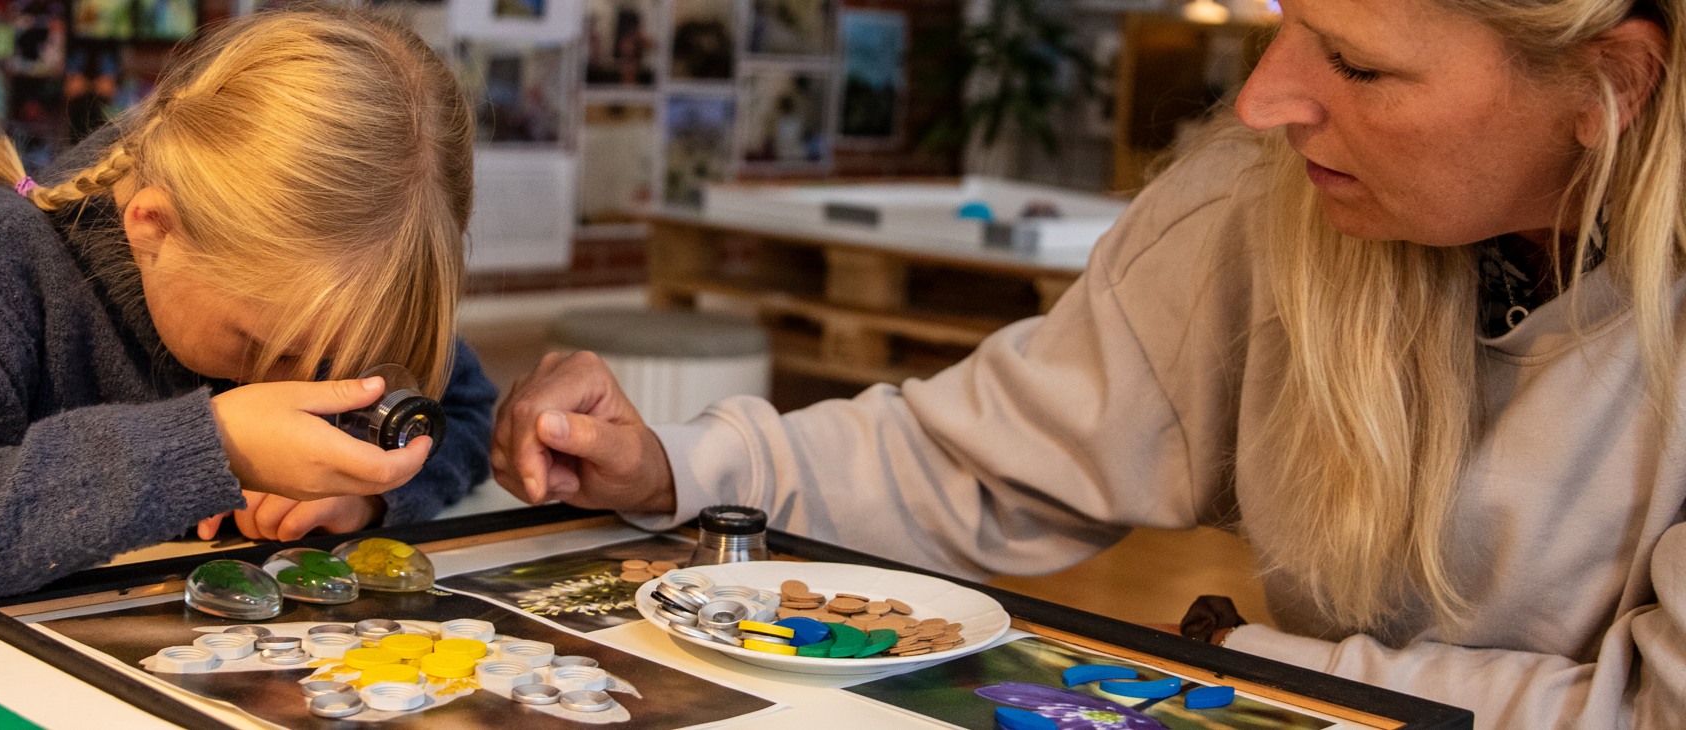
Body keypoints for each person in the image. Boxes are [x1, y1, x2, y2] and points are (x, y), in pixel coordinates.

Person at [492, 0, 1685, 725]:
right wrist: (678, 464)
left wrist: (1238, 667)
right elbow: (991, 463)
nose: (1266, 100)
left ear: (1608, 85)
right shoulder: (1258, 205)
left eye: (1360, 65)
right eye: (1284, 24)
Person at [0, 4, 494, 626]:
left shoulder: (334, 292)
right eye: (265, 348)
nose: (307, 378)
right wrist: (211, 447)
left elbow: (461, 411)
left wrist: (373, 496)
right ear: (153, 229)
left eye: (336, 360)